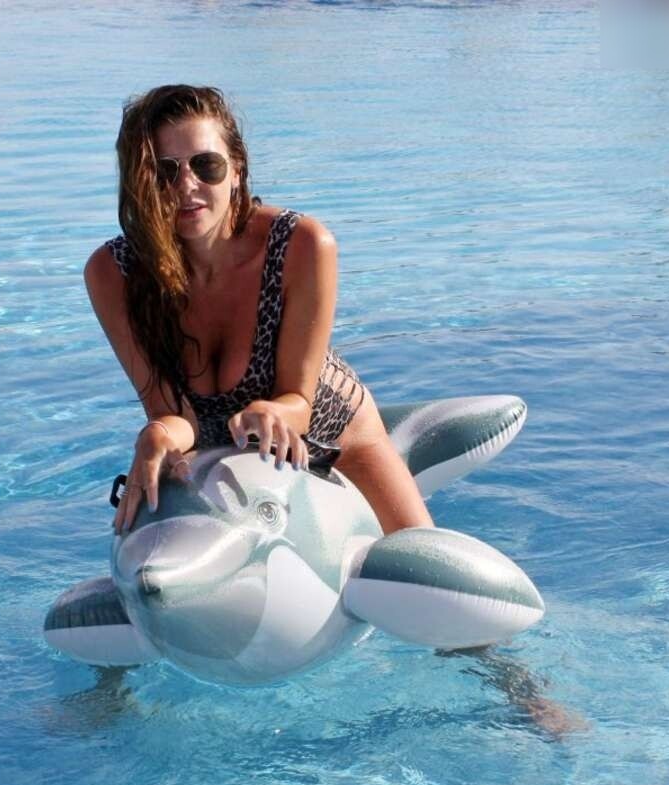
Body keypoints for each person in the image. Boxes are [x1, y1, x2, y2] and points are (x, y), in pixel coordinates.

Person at [86, 84, 434, 536]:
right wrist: (157, 435)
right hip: (226, 459)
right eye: (164, 171)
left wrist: (274, 413)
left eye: (206, 165)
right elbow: (174, 415)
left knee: (422, 559)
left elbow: (298, 403)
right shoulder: (115, 273)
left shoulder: (301, 245)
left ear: (236, 170)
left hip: (335, 441)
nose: (186, 186)